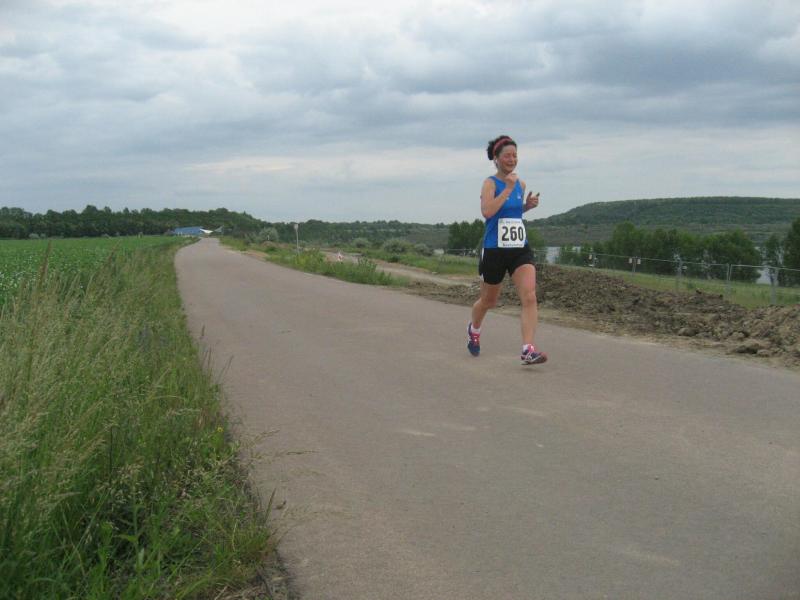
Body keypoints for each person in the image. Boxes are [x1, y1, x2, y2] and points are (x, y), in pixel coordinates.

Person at [467, 135, 547, 365]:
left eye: (515, 155)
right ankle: (474, 329)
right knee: (488, 301)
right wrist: (508, 188)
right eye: (507, 156)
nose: (512, 160)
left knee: (529, 296)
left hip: (519, 248)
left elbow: (513, 212)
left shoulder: (521, 184)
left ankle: (528, 349)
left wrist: (526, 207)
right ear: (496, 158)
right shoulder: (490, 183)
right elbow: (488, 212)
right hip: (495, 249)